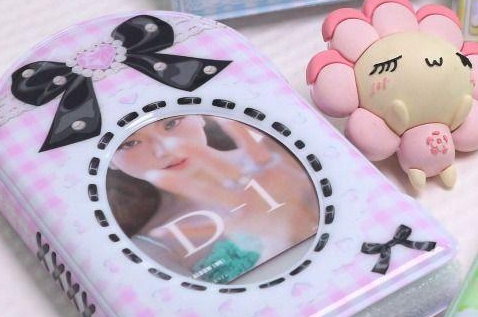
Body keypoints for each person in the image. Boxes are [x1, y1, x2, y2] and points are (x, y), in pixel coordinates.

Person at [106, 116, 319, 284]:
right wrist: (277, 240)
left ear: (199, 115)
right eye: (130, 142)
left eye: (171, 123)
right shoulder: (149, 249)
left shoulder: (283, 155)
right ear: (109, 160)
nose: (164, 150)